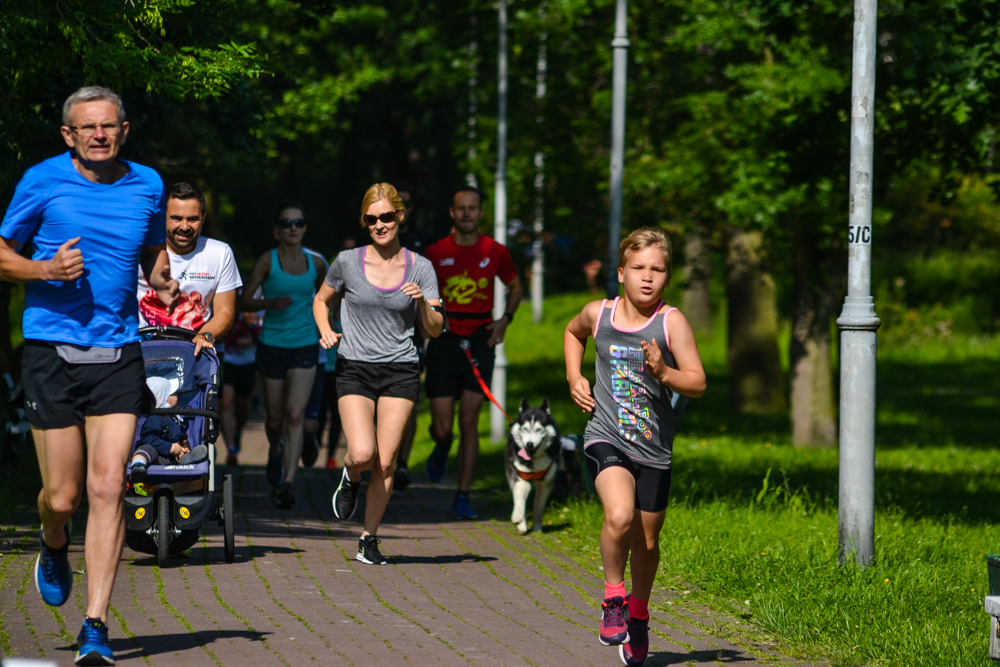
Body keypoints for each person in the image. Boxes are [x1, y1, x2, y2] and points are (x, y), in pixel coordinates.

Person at [0, 86, 179, 666]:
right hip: (51, 350)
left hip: (119, 352)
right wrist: (43, 269)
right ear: (68, 135)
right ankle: (54, 543)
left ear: (124, 130)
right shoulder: (42, 180)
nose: (99, 135)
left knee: (109, 488)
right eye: (87, 127)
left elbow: (153, 253)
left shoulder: (148, 184)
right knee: (63, 495)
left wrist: (163, 280)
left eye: (109, 126)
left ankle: (95, 625)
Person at [563, 227, 706, 665]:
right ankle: (613, 597)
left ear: (667, 276)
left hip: (654, 449)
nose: (648, 277)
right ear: (621, 272)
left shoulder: (671, 321)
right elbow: (573, 333)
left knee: (646, 541)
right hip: (606, 435)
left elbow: (697, 382)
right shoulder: (599, 313)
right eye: (639, 268)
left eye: (658, 270)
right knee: (619, 515)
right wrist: (575, 376)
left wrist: (664, 372)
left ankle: (639, 616)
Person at [314, 183, 443, 565]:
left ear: (400, 216)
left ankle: (369, 539)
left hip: (401, 369)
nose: (379, 225)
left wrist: (422, 302)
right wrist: (325, 328)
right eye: (371, 219)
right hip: (355, 366)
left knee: (386, 462)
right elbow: (321, 300)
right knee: (363, 453)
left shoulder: (421, 267)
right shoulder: (347, 261)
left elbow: (435, 328)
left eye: (386, 216)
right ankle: (351, 477)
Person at [423, 186, 523, 519]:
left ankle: (462, 495)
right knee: (443, 428)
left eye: (472, 208)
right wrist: (425, 323)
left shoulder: (494, 251)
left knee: (469, 422)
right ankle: (439, 445)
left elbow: (515, 286)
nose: (467, 213)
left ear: (481, 213)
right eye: (460, 208)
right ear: (452, 213)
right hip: (444, 340)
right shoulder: (435, 252)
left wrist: (504, 321)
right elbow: (420, 293)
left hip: (480, 340)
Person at [240, 200, 327, 509]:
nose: (293, 227)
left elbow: (327, 300)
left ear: (304, 229)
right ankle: (274, 452)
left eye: (298, 223)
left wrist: (328, 329)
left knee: (295, 415)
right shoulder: (267, 261)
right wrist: (268, 304)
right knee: (275, 421)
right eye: (287, 223)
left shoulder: (317, 264)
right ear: (277, 231)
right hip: (272, 346)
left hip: (305, 345)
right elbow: (244, 302)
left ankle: (288, 483)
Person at [136, 181, 241, 357]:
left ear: (203, 219)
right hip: (141, 352)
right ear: (163, 217)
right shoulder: (139, 250)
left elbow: (226, 313)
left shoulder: (220, 253)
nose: (184, 227)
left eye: (192, 219)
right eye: (176, 218)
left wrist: (205, 336)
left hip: (194, 354)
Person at [391, 181, 435, 490]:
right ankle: (383, 459)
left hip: (413, 337)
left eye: (405, 205)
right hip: (375, 336)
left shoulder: (423, 245)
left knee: (408, 399)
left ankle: (402, 462)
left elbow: (433, 293)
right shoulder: (373, 241)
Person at [127, 377, 206, 483]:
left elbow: (178, 436)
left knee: (184, 453)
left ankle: (187, 458)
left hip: (169, 459)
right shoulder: (154, 419)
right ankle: (138, 464)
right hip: (154, 457)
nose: (177, 394)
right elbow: (150, 440)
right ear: (162, 399)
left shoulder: (175, 419)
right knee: (146, 449)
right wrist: (172, 448)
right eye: (173, 393)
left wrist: (183, 447)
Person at [219, 304, 261, 466]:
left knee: (244, 406)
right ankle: (231, 449)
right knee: (227, 402)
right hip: (227, 358)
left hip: (249, 361)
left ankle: (237, 432)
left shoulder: (256, 296)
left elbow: (263, 327)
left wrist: (252, 340)